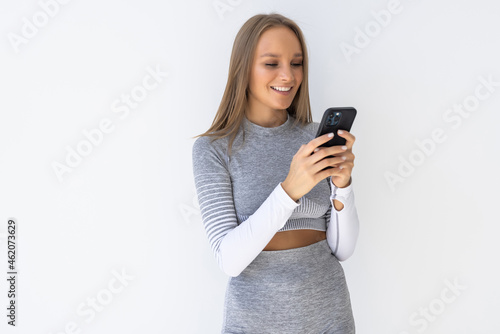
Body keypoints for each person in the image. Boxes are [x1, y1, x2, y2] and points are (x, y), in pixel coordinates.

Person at [192, 13, 359, 334]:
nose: (288, 75)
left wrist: (343, 187)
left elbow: (342, 250)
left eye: (296, 63)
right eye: (271, 63)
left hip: (329, 314)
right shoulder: (214, 149)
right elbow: (229, 259)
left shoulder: (315, 138)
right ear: (243, 69)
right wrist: (289, 190)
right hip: (255, 320)